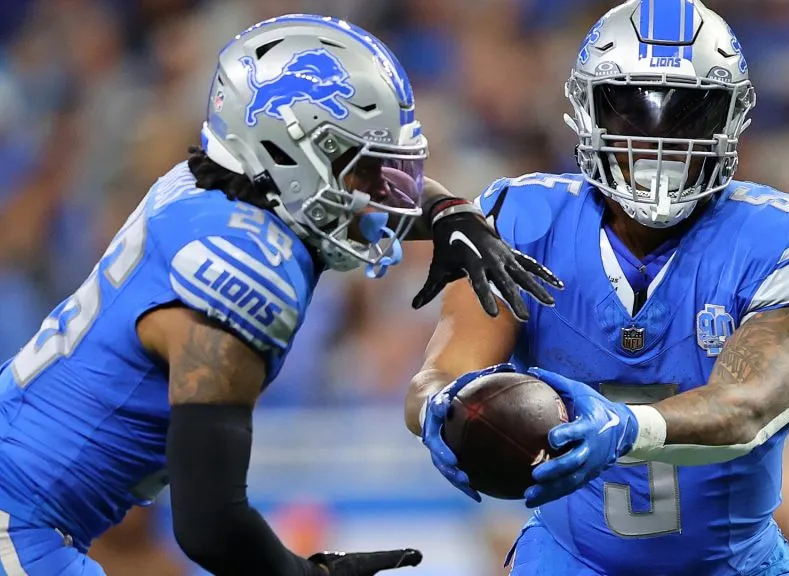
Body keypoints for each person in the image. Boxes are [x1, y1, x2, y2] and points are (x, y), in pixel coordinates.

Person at [0, 14, 560, 576]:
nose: (388, 193)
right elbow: (211, 526)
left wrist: (447, 212)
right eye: (364, 167)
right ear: (285, 154)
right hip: (20, 522)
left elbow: (342, 197)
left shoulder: (211, 187)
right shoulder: (243, 281)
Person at [407, 1, 789, 575]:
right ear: (590, 114)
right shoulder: (520, 220)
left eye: (687, 114)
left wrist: (626, 428)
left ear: (728, 119)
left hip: (729, 564)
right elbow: (441, 376)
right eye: (634, 112)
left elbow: (748, 407)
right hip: (569, 559)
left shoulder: (786, 240)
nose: (659, 140)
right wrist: (442, 406)